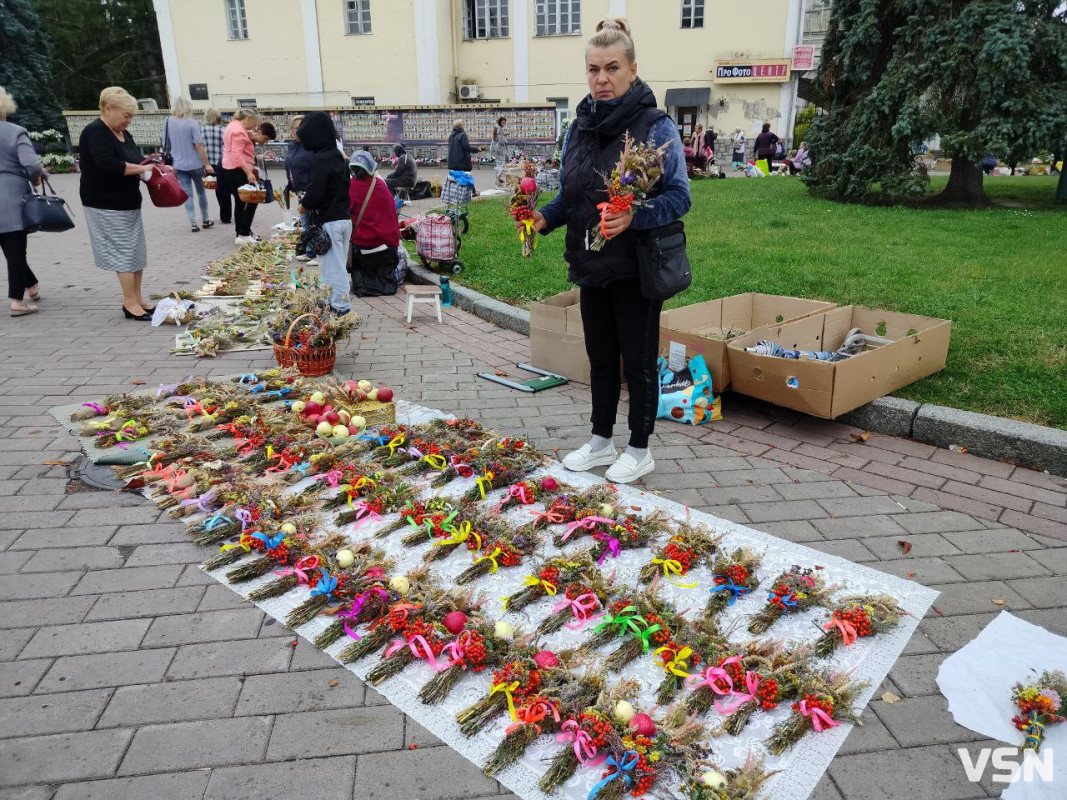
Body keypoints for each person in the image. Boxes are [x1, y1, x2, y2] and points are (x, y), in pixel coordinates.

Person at [522, 17, 691, 484]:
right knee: (599, 357)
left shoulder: (655, 128)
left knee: (636, 362)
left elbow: (680, 196)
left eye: (612, 67)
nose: (601, 78)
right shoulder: (579, 128)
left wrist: (634, 216)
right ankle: (601, 440)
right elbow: (570, 195)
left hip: (636, 267)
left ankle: (640, 448)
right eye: (593, 69)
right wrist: (544, 218)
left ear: (632, 70)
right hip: (590, 262)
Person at [78, 86, 156, 320]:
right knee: (123, 252)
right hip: (105, 202)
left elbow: (134, 159)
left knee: (136, 252)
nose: (129, 120)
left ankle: (139, 298)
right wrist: (142, 168)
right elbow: (108, 165)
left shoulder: (123, 133)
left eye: (131, 116)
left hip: (128, 200)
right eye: (126, 115)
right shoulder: (95, 132)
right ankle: (129, 302)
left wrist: (151, 167)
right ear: (108, 109)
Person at [295, 112, 352, 313]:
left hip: (329, 220)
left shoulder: (320, 158)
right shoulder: (338, 155)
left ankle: (341, 306)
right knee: (334, 265)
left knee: (332, 267)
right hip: (343, 218)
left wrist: (304, 206)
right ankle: (332, 300)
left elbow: (316, 190)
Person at [0, 85, 45, 317]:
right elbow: (32, 164)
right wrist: (36, 177)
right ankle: (17, 301)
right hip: (10, 197)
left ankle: (32, 286)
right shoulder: (15, 131)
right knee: (16, 250)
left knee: (10, 250)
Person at [348, 150, 401, 298]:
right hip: (389, 246)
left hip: (363, 245)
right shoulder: (381, 185)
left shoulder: (350, 187)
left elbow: (347, 214)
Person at [163, 96, 214, 233]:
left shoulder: (167, 121)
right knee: (201, 191)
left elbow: (165, 143)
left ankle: (192, 223)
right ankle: (205, 219)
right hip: (196, 163)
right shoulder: (192, 123)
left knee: (187, 194)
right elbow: (199, 145)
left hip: (178, 164)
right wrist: (207, 164)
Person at [221, 108, 261, 245]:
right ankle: (243, 233)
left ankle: (241, 233)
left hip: (229, 168)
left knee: (240, 201)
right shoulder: (238, 131)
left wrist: (249, 134)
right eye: (255, 122)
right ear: (248, 118)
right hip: (238, 169)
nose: (255, 126)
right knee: (251, 200)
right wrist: (249, 173)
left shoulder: (232, 125)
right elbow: (237, 154)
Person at [284, 115, 312, 257]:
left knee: (309, 222)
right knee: (305, 221)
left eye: (303, 127)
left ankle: (312, 252)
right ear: (291, 130)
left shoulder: (312, 146)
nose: (299, 131)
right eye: (296, 128)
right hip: (298, 190)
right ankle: (309, 250)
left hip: (310, 190)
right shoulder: (292, 146)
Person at [201, 108, 229, 223]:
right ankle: (225, 216)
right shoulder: (224, 130)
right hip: (222, 162)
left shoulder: (201, 130)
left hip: (207, 163)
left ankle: (207, 215)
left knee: (216, 187)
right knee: (223, 190)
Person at [490, 116, 508, 184]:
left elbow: (497, 137)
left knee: (498, 164)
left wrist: (504, 134)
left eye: (505, 123)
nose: (504, 124)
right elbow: (501, 141)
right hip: (499, 149)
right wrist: (505, 141)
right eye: (503, 123)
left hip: (494, 148)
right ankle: (498, 180)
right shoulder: (500, 129)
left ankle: (498, 179)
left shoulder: (496, 128)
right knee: (501, 164)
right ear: (500, 122)